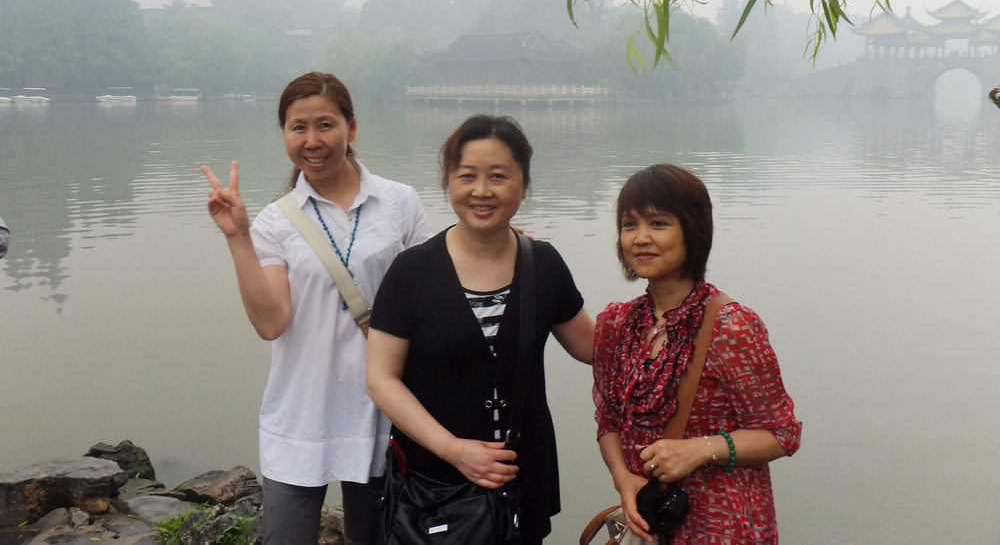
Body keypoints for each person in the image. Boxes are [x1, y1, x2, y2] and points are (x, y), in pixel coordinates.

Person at [201, 71, 430, 545]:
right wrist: (238, 236)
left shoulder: (399, 203)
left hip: (383, 414)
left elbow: (435, 297)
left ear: (351, 127)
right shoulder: (274, 222)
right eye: (297, 127)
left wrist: (499, 246)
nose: (312, 141)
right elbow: (271, 323)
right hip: (301, 414)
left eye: (325, 125)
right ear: (284, 134)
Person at [366, 114, 595, 544]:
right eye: (467, 175)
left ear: (524, 185)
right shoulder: (412, 271)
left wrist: (673, 306)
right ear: (449, 181)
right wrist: (453, 449)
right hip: (433, 487)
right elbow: (381, 378)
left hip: (519, 483)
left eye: (498, 176)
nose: (482, 190)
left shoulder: (543, 265)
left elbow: (594, 347)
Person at [593, 164, 801, 544]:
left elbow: (782, 434)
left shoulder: (731, 327)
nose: (640, 238)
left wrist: (701, 450)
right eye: (629, 224)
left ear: (693, 230)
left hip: (724, 525)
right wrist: (624, 480)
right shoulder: (615, 324)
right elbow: (607, 420)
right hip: (651, 522)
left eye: (658, 223)